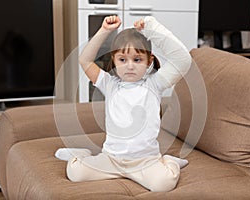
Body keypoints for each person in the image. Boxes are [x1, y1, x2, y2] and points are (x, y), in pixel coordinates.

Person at [55, 15, 191, 192]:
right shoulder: (109, 84)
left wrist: (152, 28)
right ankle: (82, 154)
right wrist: (104, 31)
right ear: (114, 61)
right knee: (75, 173)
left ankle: (170, 161)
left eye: (137, 60)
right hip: (112, 159)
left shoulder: (155, 84)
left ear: (149, 61)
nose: (130, 66)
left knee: (163, 184)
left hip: (145, 161)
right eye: (122, 60)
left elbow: (183, 60)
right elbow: (85, 60)